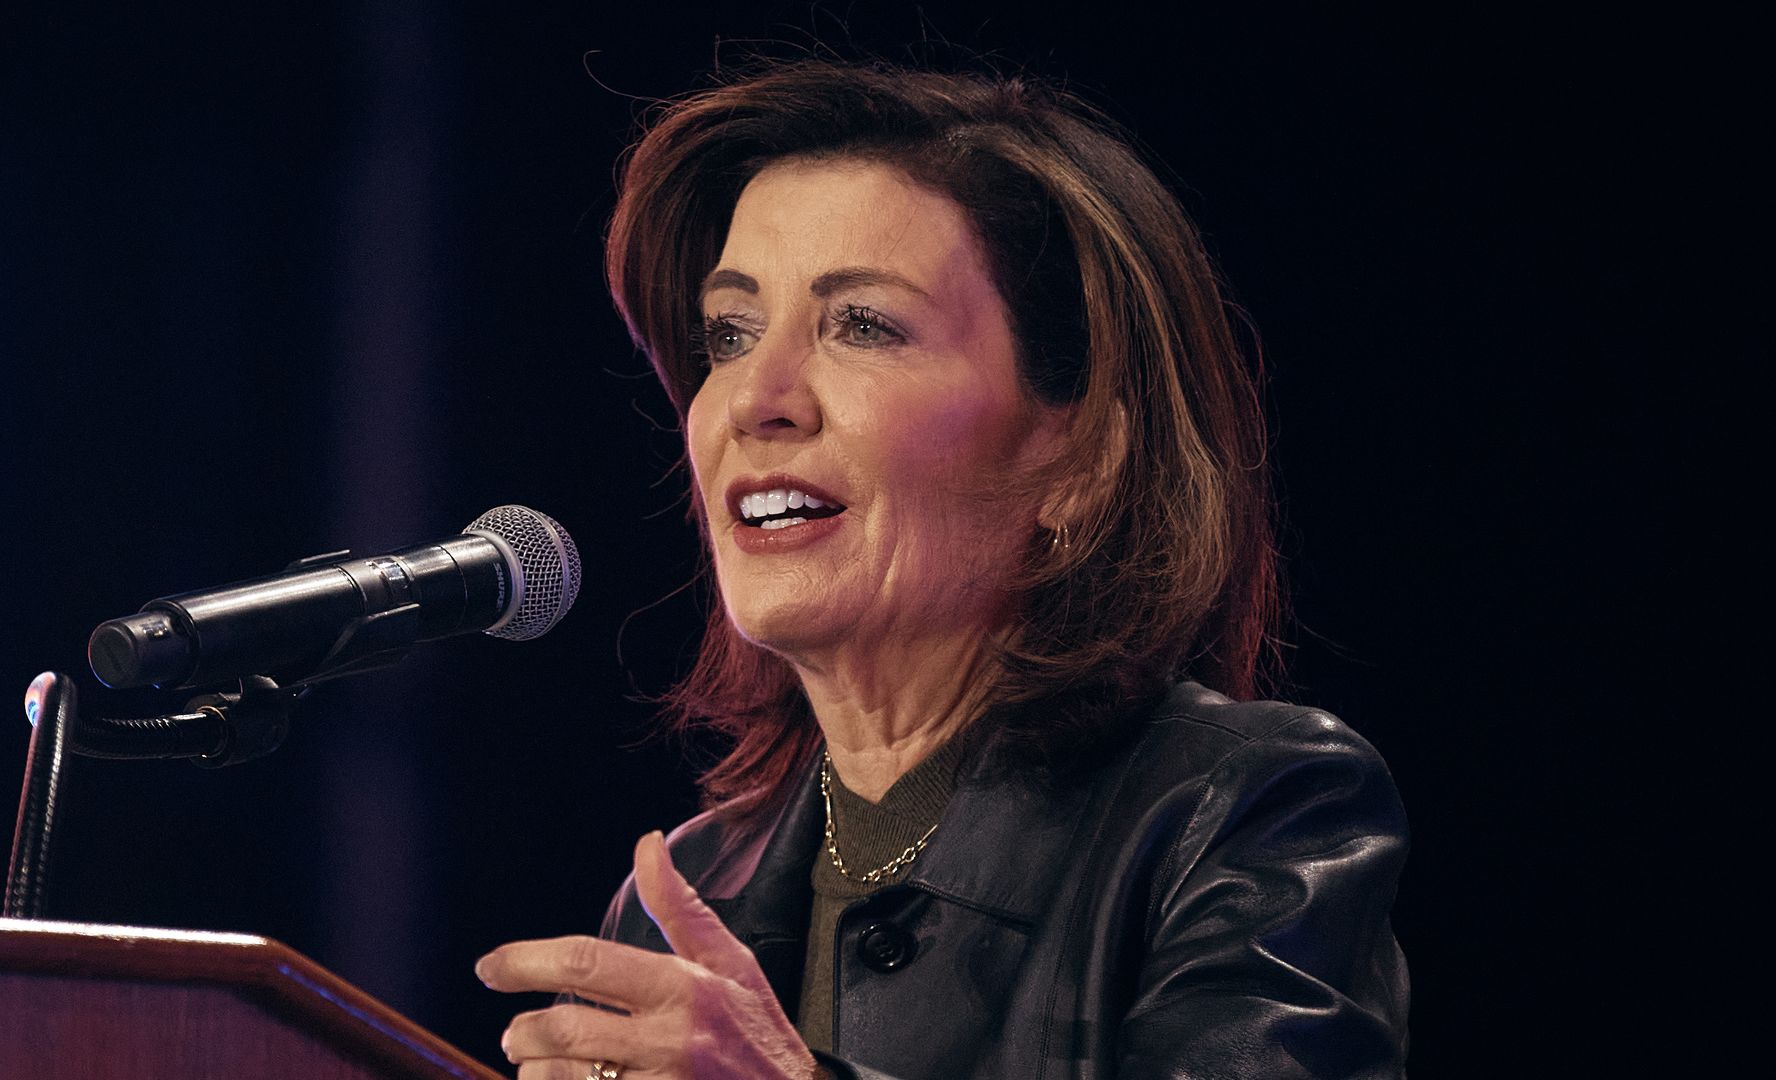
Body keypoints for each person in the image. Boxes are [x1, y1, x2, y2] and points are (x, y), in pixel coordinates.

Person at [475, 60, 1409, 1080]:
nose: (757, 398)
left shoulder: (1243, 814)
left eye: (863, 325)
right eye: (730, 335)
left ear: (1080, 456)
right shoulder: (685, 896)